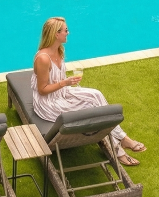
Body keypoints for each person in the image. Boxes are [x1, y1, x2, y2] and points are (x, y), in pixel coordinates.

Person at [32, 17, 145, 165]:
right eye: (65, 30)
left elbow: (57, 78)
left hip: (62, 92)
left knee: (96, 95)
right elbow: (42, 90)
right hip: (48, 103)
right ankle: (118, 148)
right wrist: (64, 82)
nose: (68, 33)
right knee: (92, 109)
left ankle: (122, 138)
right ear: (55, 34)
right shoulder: (43, 58)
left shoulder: (59, 51)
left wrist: (66, 82)